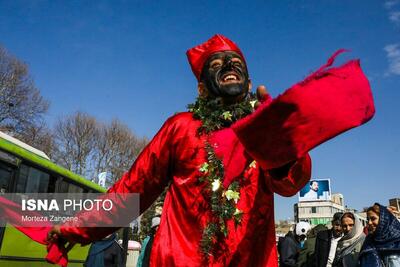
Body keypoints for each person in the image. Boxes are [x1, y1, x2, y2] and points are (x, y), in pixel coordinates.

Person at [46, 34, 374, 266]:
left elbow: (290, 185)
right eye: (216, 63)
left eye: (235, 62)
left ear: (248, 84)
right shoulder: (180, 127)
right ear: (202, 87)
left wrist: (276, 136)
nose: (228, 64)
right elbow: (133, 189)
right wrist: (77, 226)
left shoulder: (263, 124)